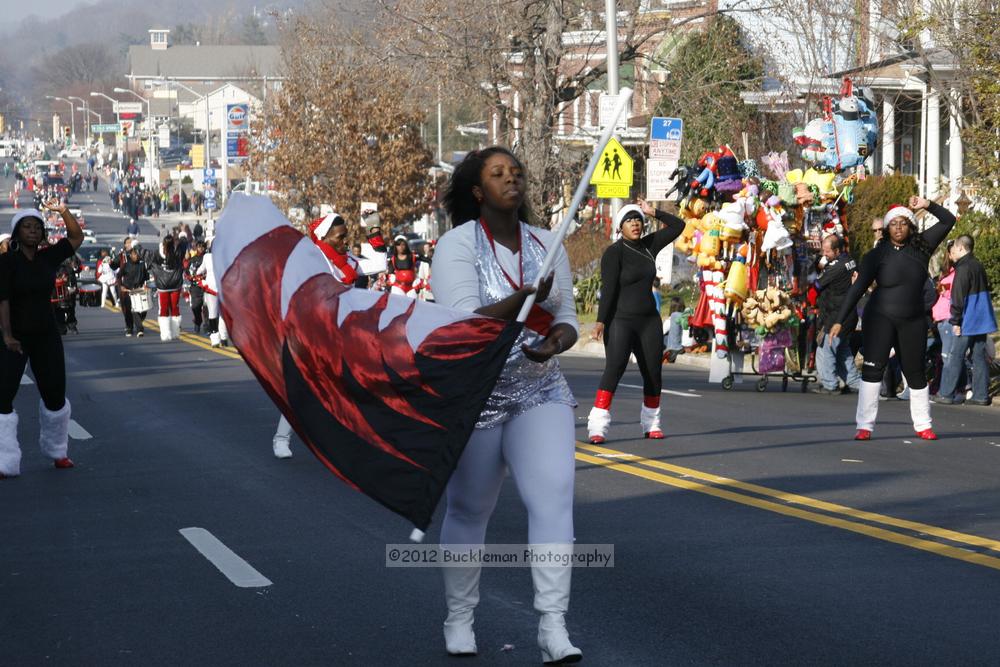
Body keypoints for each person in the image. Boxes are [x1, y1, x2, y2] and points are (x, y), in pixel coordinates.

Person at [433, 147, 582, 663]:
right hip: (477, 394)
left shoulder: (548, 243)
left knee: (555, 497)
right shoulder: (455, 245)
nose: (511, 179)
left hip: (539, 386)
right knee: (471, 509)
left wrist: (556, 341)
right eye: (498, 174)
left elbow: (566, 315)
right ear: (478, 191)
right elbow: (461, 322)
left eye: (516, 172)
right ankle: (459, 617)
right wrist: (523, 298)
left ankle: (553, 626)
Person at [829, 196, 956, 441]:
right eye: (893, 224)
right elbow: (857, 289)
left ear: (911, 226)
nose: (898, 227)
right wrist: (839, 319)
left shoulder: (922, 246)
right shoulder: (876, 255)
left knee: (915, 372)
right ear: (887, 228)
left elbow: (948, 220)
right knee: (872, 371)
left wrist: (927, 205)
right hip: (880, 318)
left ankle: (923, 425)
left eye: (903, 223)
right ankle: (864, 425)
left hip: (913, 320)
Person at [586, 198, 686, 444]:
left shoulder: (650, 246)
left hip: (648, 321)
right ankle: (597, 426)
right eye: (630, 220)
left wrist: (653, 212)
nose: (636, 224)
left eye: (638, 220)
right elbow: (608, 289)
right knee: (615, 369)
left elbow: (678, 226)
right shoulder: (614, 253)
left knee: (653, 373)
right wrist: (600, 322)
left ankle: (652, 424)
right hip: (620, 321)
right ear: (621, 226)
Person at [0, 201, 84, 478]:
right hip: (14, 337)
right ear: (16, 233)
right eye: (27, 227)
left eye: (37, 227)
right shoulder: (6, 262)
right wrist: (8, 335)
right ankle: (5, 461)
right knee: (3, 396)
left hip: (46, 333)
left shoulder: (48, 257)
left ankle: (58, 451)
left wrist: (63, 212)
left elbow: (75, 237)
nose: (33, 231)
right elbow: (3, 300)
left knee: (55, 394)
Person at [270, 213, 360, 459]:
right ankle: (281, 438)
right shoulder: (311, 258)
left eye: (346, 235)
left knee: (345, 388)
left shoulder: (347, 260)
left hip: (341, 332)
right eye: (340, 236)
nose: (345, 240)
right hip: (311, 332)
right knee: (301, 390)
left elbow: (379, 263)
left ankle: (340, 442)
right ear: (324, 236)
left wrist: (374, 233)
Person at [934, 235, 997, 406]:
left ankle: (945, 393)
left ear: (961, 248)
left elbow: (958, 297)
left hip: (967, 319)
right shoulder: (978, 265)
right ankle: (981, 395)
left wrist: (956, 321)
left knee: (955, 356)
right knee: (979, 357)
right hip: (981, 318)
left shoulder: (962, 268)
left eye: (953, 248)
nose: (951, 252)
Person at [813, 235, 861, 395]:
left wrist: (817, 268)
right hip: (848, 314)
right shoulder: (851, 261)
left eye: (827, 251)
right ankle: (856, 383)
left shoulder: (837, 267)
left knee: (825, 349)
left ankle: (829, 384)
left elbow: (818, 284)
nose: (824, 254)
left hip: (836, 316)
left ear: (837, 250)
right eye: (823, 251)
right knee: (843, 351)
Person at [142, 235, 185, 341]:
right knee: (174, 308)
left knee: (164, 309)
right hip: (175, 284)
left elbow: (146, 255)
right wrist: (182, 237)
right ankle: (175, 332)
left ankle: (166, 334)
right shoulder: (177, 252)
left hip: (163, 285)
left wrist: (137, 247)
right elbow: (184, 245)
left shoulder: (157, 254)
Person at [119, 247, 150, 337]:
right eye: (134, 254)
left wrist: (146, 285)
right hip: (128, 291)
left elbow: (146, 278)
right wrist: (121, 286)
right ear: (131, 255)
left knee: (143, 310)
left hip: (139, 290)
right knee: (131, 310)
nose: (136, 256)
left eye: (137, 254)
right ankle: (131, 329)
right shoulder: (125, 265)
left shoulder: (142, 265)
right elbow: (119, 276)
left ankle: (138, 324)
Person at [186, 241, 207, 334]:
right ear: (196, 248)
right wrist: (190, 277)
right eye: (199, 247)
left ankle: (208, 325)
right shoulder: (193, 259)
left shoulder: (208, 258)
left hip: (207, 285)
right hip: (195, 286)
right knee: (195, 307)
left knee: (207, 307)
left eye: (203, 247)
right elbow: (187, 272)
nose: (201, 249)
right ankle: (198, 322)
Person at [664, 297, 685, 363]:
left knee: (664, 336)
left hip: (672, 346)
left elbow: (662, 331)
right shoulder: (684, 317)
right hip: (682, 344)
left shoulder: (670, 320)